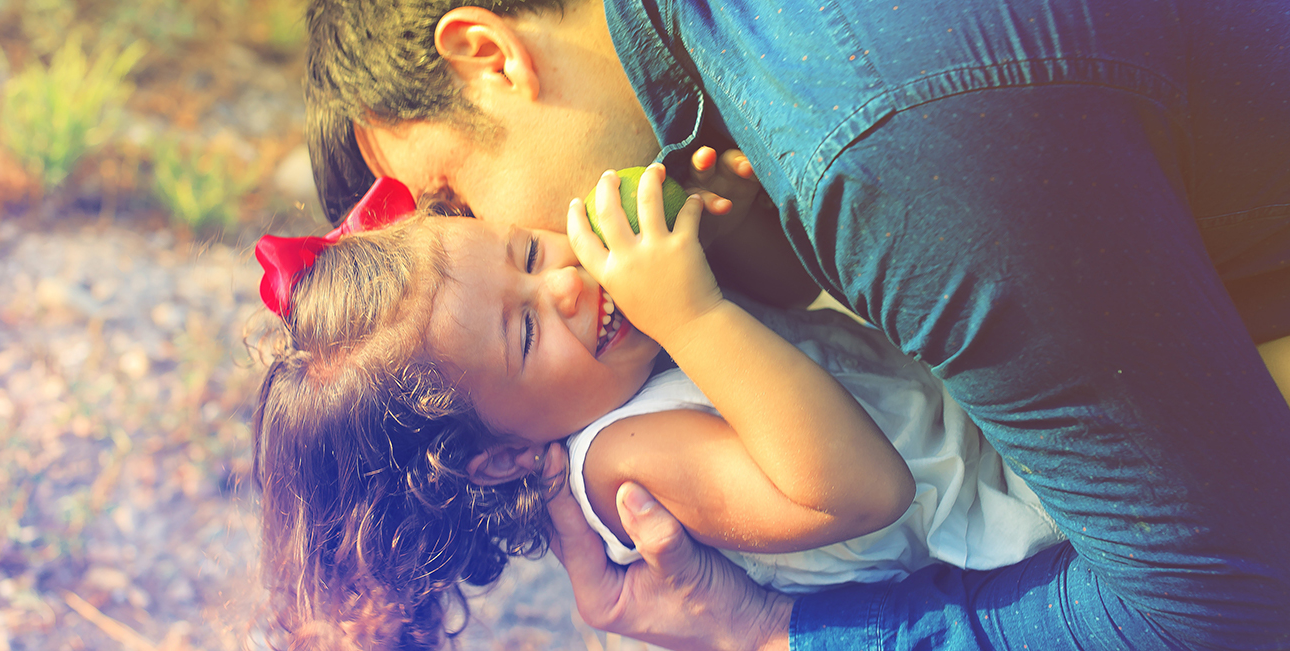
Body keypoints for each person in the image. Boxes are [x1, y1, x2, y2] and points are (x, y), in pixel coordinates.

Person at [302, 0, 1290, 648]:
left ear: (488, 56)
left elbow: (1216, 604)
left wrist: (768, 633)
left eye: (455, 199)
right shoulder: (789, 73)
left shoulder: (871, 144)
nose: (524, 251)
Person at [249, 167, 1065, 649]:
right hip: (1029, 514)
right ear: (497, 456)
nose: (566, 283)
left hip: (1005, 417)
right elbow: (861, 490)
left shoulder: (627, 364)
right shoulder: (622, 460)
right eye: (527, 330)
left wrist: (718, 225)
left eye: (527, 254)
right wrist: (694, 312)